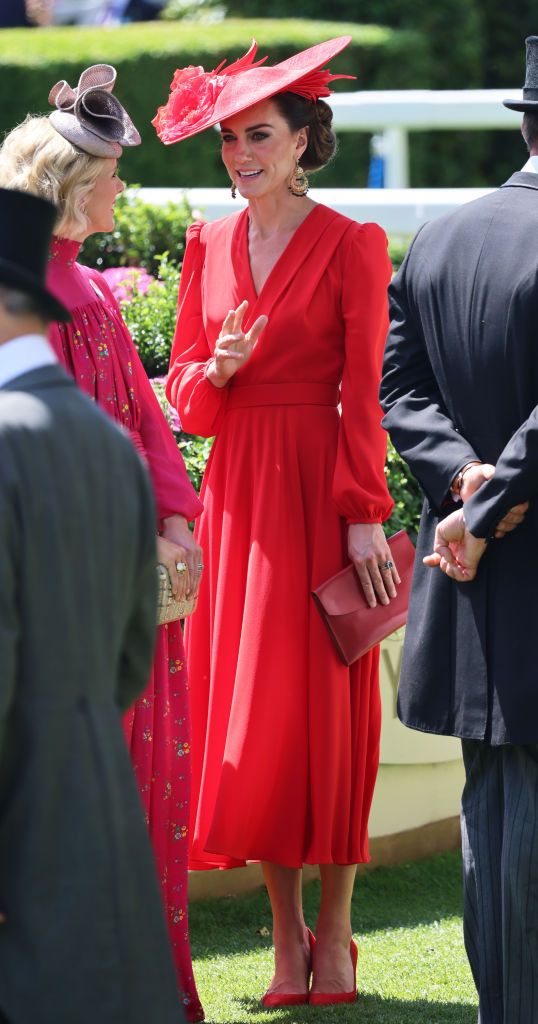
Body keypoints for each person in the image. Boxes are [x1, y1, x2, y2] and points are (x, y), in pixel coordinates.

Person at [155, 36, 398, 1006]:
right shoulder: (206, 243)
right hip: (240, 496)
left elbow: (365, 394)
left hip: (319, 495)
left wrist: (364, 516)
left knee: (325, 720)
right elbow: (182, 397)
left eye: (259, 135)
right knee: (250, 727)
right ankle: (284, 942)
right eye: (228, 140)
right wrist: (214, 369)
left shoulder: (352, 244)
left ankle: (334, 932)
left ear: (305, 140)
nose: (239, 154)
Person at [0, 65, 205, 1023]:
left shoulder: (86, 288)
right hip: (69, 593)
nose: (124, 187)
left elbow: (148, 426)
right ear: (72, 189)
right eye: (112, 174)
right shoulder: (34, 299)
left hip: (128, 583)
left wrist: (174, 519)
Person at [380, 34, 538, 1024]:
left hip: (471, 582)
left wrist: (459, 482)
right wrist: (485, 501)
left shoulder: (439, 233)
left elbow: (400, 388)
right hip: (496, 553)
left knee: (491, 822)